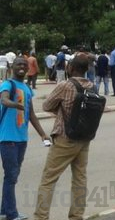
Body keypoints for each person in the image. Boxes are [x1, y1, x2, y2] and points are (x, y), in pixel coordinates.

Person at [33, 55, 95, 220]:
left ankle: (41, 216)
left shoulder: (65, 85)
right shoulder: (92, 86)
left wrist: (61, 112)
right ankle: (76, 216)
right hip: (84, 137)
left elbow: (47, 106)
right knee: (80, 178)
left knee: (49, 179)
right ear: (86, 69)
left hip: (65, 138)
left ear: (71, 68)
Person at [1, 57, 51, 220]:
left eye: (24, 64)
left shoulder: (27, 88)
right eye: (18, 64)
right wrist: (13, 104)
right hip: (7, 138)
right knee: (11, 176)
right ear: (12, 67)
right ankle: (11, 214)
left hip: (22, 139)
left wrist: (43, 134)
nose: (22, 67)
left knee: (12, 175)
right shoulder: (8, 84)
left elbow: (32, 115)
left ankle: (4, 210)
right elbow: (4, 99)